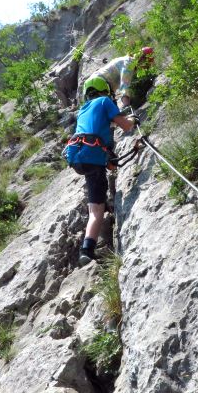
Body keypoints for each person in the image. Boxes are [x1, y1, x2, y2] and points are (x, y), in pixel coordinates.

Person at [65, 76, 139, 266]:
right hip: (92, 157)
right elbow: (126, 125)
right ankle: (87, 251)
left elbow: (98, 129)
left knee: (94, 205)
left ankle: (102, 206)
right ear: (104, 91)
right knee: (96, 210)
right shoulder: (105, 101)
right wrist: (132, 118)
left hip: (79, 157)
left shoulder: (83, 110)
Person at [82, 46, 154, 109]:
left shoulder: (125, 59)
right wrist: (126, 101)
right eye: (146, 65)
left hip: (88, 86)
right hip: (99, 85)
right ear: (142, 59)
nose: (144, 68)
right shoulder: (129, 63)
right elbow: (124, 84)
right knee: (112, 114)